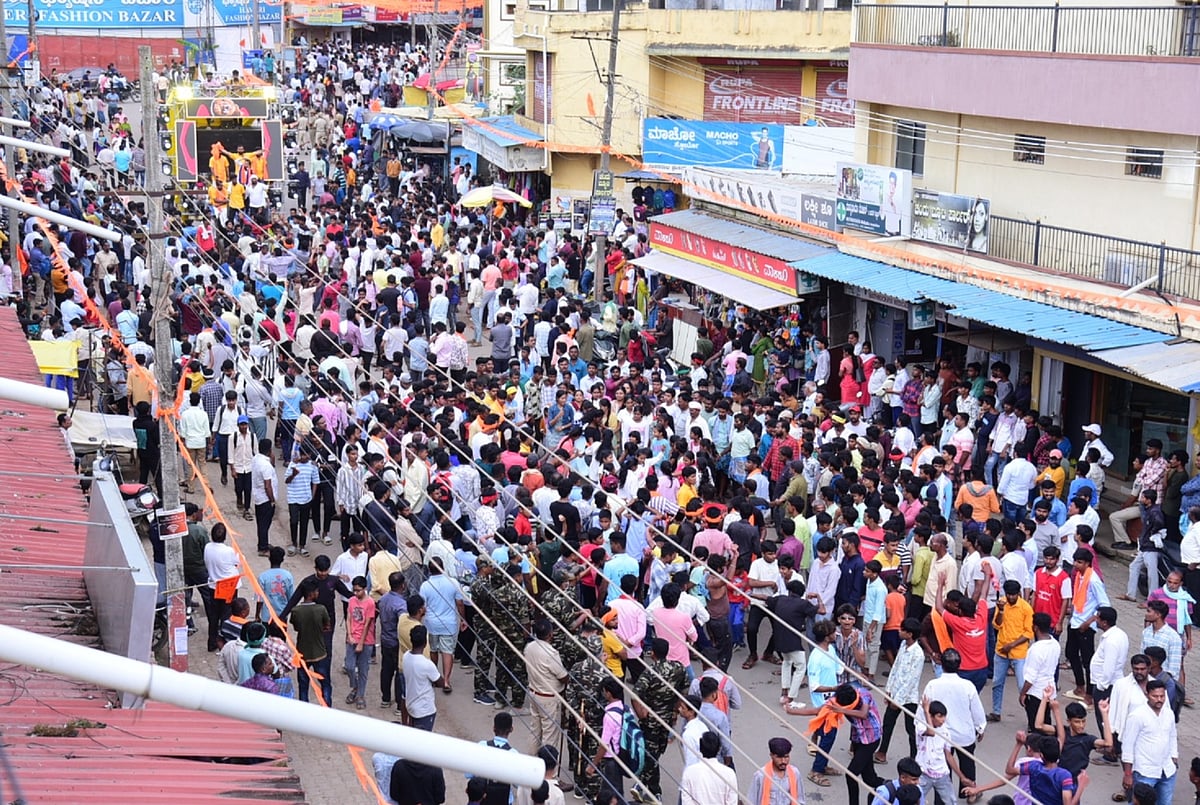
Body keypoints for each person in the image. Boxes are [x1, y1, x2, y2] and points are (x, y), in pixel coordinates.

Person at [922, 648, 986, 798]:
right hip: (964, 734)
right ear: (959, 665)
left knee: (944, 767)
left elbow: (924, 708)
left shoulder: (932, 685)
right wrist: (980, 727)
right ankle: (969, 793)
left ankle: (945, 795)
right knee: (967, 763)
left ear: (941, 664)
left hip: (940, 734)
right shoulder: (967, 685)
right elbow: (977, 709)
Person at [1122, 680, 1178, 805]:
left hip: (1167, 771)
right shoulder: (1137, 715)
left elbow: (1173, 736)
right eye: (1155, 696)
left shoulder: (1169, 714)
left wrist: (1174, 758)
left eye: (1162, 696)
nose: (1159, 699)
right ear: (1147, 695)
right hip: (1145, 771)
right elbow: (1128, 745)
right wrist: (1127, 774)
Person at [290, 579, 332, 705]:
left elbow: (296, 628)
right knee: (325, 684)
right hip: (320, 652)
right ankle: (327, 709)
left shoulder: (296, 611)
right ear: (311, 594)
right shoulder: (321, 609)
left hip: (303, 653)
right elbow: (327, 626)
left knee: (303, 686)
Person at [679, 731, 738, 805]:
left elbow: (686, 802)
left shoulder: (689, 772)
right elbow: (732, 802)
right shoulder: (729, 774)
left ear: (700, 747)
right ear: (719, 748)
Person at [345, 575, 376, 710]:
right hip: (352, 639)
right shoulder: (351, 600)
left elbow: (367, 624)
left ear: (365, 589)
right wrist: (349, 635)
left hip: (366, 641)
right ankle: (355, 686)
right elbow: (349, 618)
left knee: (363, 669)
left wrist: (361, 643)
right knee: (349, 666)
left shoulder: (370, 603)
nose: (356, 593)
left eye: (358, 590)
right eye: (355, 590)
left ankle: (360, 695)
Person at [403, 625, 441, 731]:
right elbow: (440, 682)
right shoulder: (427, 664)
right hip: (424, 710)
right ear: (425, 643)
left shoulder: (406, 656)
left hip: (411, 705)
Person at [747, 737, 804, 805]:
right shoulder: (760, 776)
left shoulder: (795, 773)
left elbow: (800, 800)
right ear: (771, 755)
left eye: (786, 757)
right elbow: (751, 801)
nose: (783, 761)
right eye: (779, 757)